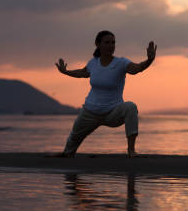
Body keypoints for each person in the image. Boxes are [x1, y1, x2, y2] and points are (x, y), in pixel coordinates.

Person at [54, 30, 156, 158]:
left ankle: (131, 151)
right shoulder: (93, 63)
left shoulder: (121, 63)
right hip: (90, 112)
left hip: (112, 113)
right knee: (71, 143)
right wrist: (66, 72)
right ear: (98, 44)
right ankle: (67, 154)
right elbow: (82, 72)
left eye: (113, 43)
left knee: (130, 107)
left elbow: (136, 69)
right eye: (107, 42)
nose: (111, 45)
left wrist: (149, 60)